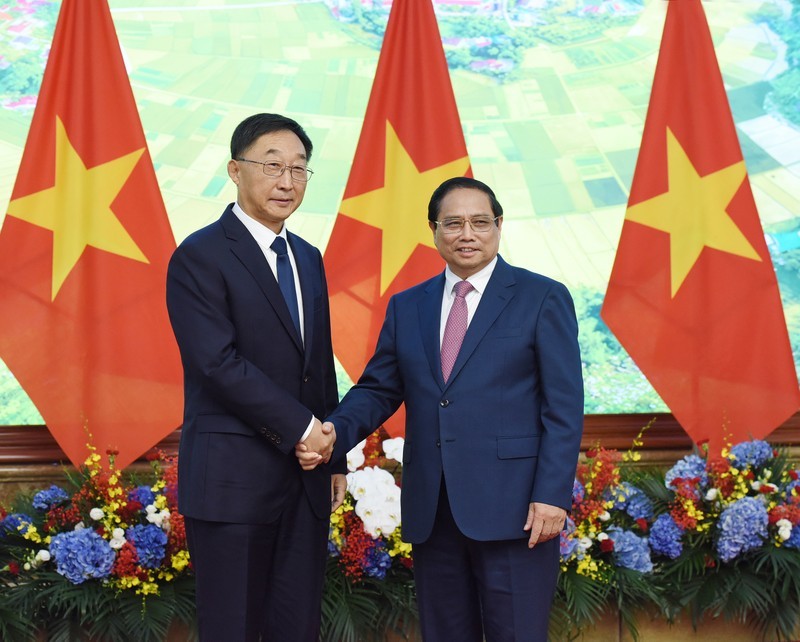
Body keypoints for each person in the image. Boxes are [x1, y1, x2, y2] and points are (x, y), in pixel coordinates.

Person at [298, 176, 584, 641]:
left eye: (479, 222)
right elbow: (377, 390)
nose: (466, 234)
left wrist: (552, 494)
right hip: (435, 510)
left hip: (516, 510)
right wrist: (331, 433)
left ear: (499, 226)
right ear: (433, 230)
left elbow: (564, 406)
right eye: (452, 223)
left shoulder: (542, 297)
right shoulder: (409, 305)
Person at [166, 113, 346, 642]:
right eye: (271, 166)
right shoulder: (199, 255)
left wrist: (331, 450)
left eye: (299, 169)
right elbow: (217, 364)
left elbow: (318, 362)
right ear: (234, 170)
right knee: (234, 628)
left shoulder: (308, 258)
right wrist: (303, 429)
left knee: (298, 628)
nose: (287, 182)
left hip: (305, 479)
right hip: (232, 481)